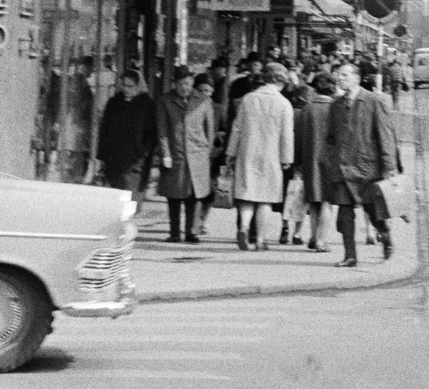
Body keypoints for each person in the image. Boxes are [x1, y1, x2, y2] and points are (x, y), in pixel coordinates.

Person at [327, 62, 399, 266]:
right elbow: (331, 137)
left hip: (367, 168)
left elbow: (385, 136)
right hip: (342, 168)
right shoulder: (336, 105)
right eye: (338, 75)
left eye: (344, 75)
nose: (340, 79)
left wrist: (389, 167)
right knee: (344, 215)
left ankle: (385, 235)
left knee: (373, 212)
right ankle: (350, 256)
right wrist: (331, 160)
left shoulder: (372, 101)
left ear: (357, 78)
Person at [226, 62, 295, 252]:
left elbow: (237, 128)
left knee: (247, 195)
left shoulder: (248, 99)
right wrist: (286, 158)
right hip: (271, 156)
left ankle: (244, 228)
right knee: (265, 198)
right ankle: (261, 240)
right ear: (281, 81)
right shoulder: (284, 104)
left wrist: (230, 152)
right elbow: (287, 135)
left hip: (247, 153)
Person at [155, 66, 213, 243]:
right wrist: (165, 153)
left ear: (193, 83)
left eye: (187, 83)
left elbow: (209, 129)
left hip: (197, 154)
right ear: (175, 84)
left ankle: (192, 232)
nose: (184, 87)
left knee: (195, 196)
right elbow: (162, 129)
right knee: (173, 195)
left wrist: (206, 152)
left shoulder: (203, 100)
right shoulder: (165, 100)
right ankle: (174, 233)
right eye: (180, 84)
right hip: (175, 153)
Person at [96, 71, 157, 201]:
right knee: (115, 200)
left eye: (131, 86)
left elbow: (151, 134)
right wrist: (102, 156)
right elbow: (105, 129)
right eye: (124, 85)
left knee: (131, 201)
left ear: (138, 86)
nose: (126, 89)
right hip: (114, 159)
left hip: (135, 161)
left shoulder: (147, 105)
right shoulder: (113, 103)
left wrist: (142, 155)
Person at [293, 71, 336, 252]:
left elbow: (299, 137)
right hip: (331, 160)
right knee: (327, 201)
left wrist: (297, 163)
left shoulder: (307, 109)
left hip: (310, 159)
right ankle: (322, 240)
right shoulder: (336, 108)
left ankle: (312, 236)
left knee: (313, 200)